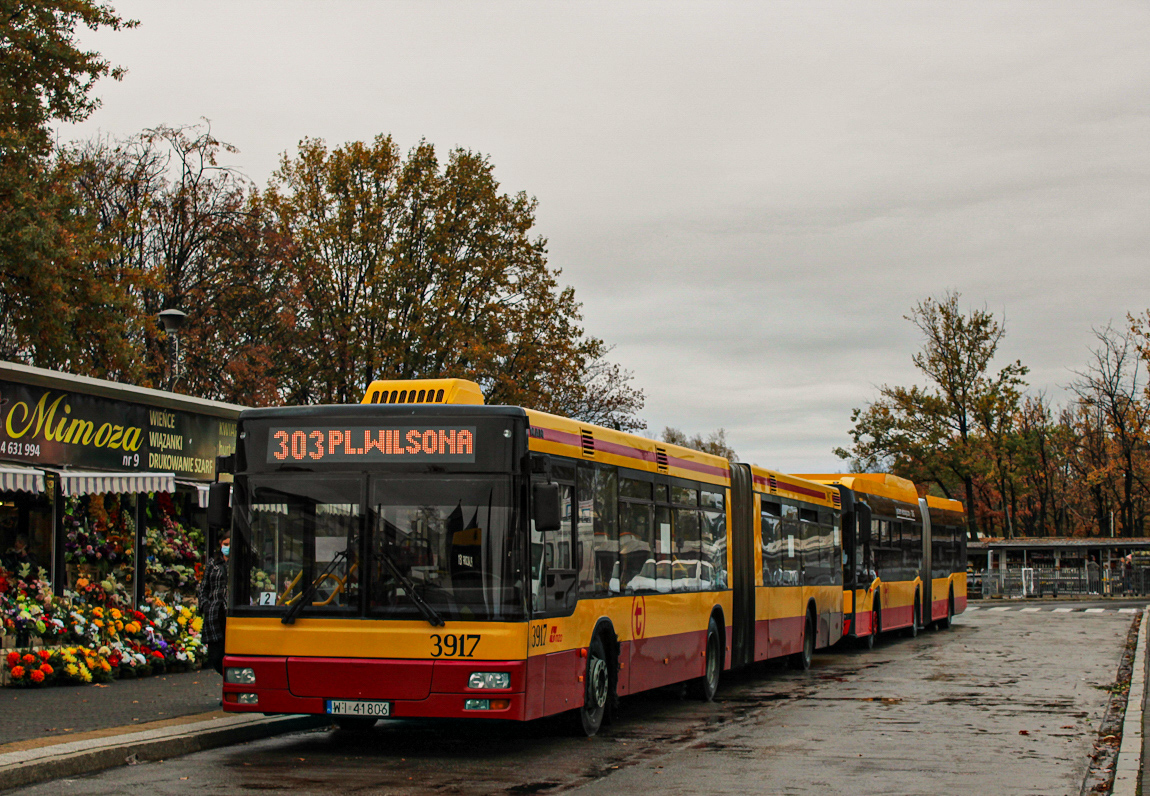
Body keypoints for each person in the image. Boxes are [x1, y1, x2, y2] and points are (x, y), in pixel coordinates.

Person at [197, 534, 229, 675]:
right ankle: (228, 677)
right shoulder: (213, 564)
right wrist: (205, 605)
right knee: (215, 657)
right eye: (225, 544)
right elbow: (204, 587)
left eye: (230, 544)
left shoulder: (239, 563)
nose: (227, 547)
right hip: (214, 614)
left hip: (231, 613)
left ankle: (231, 682)